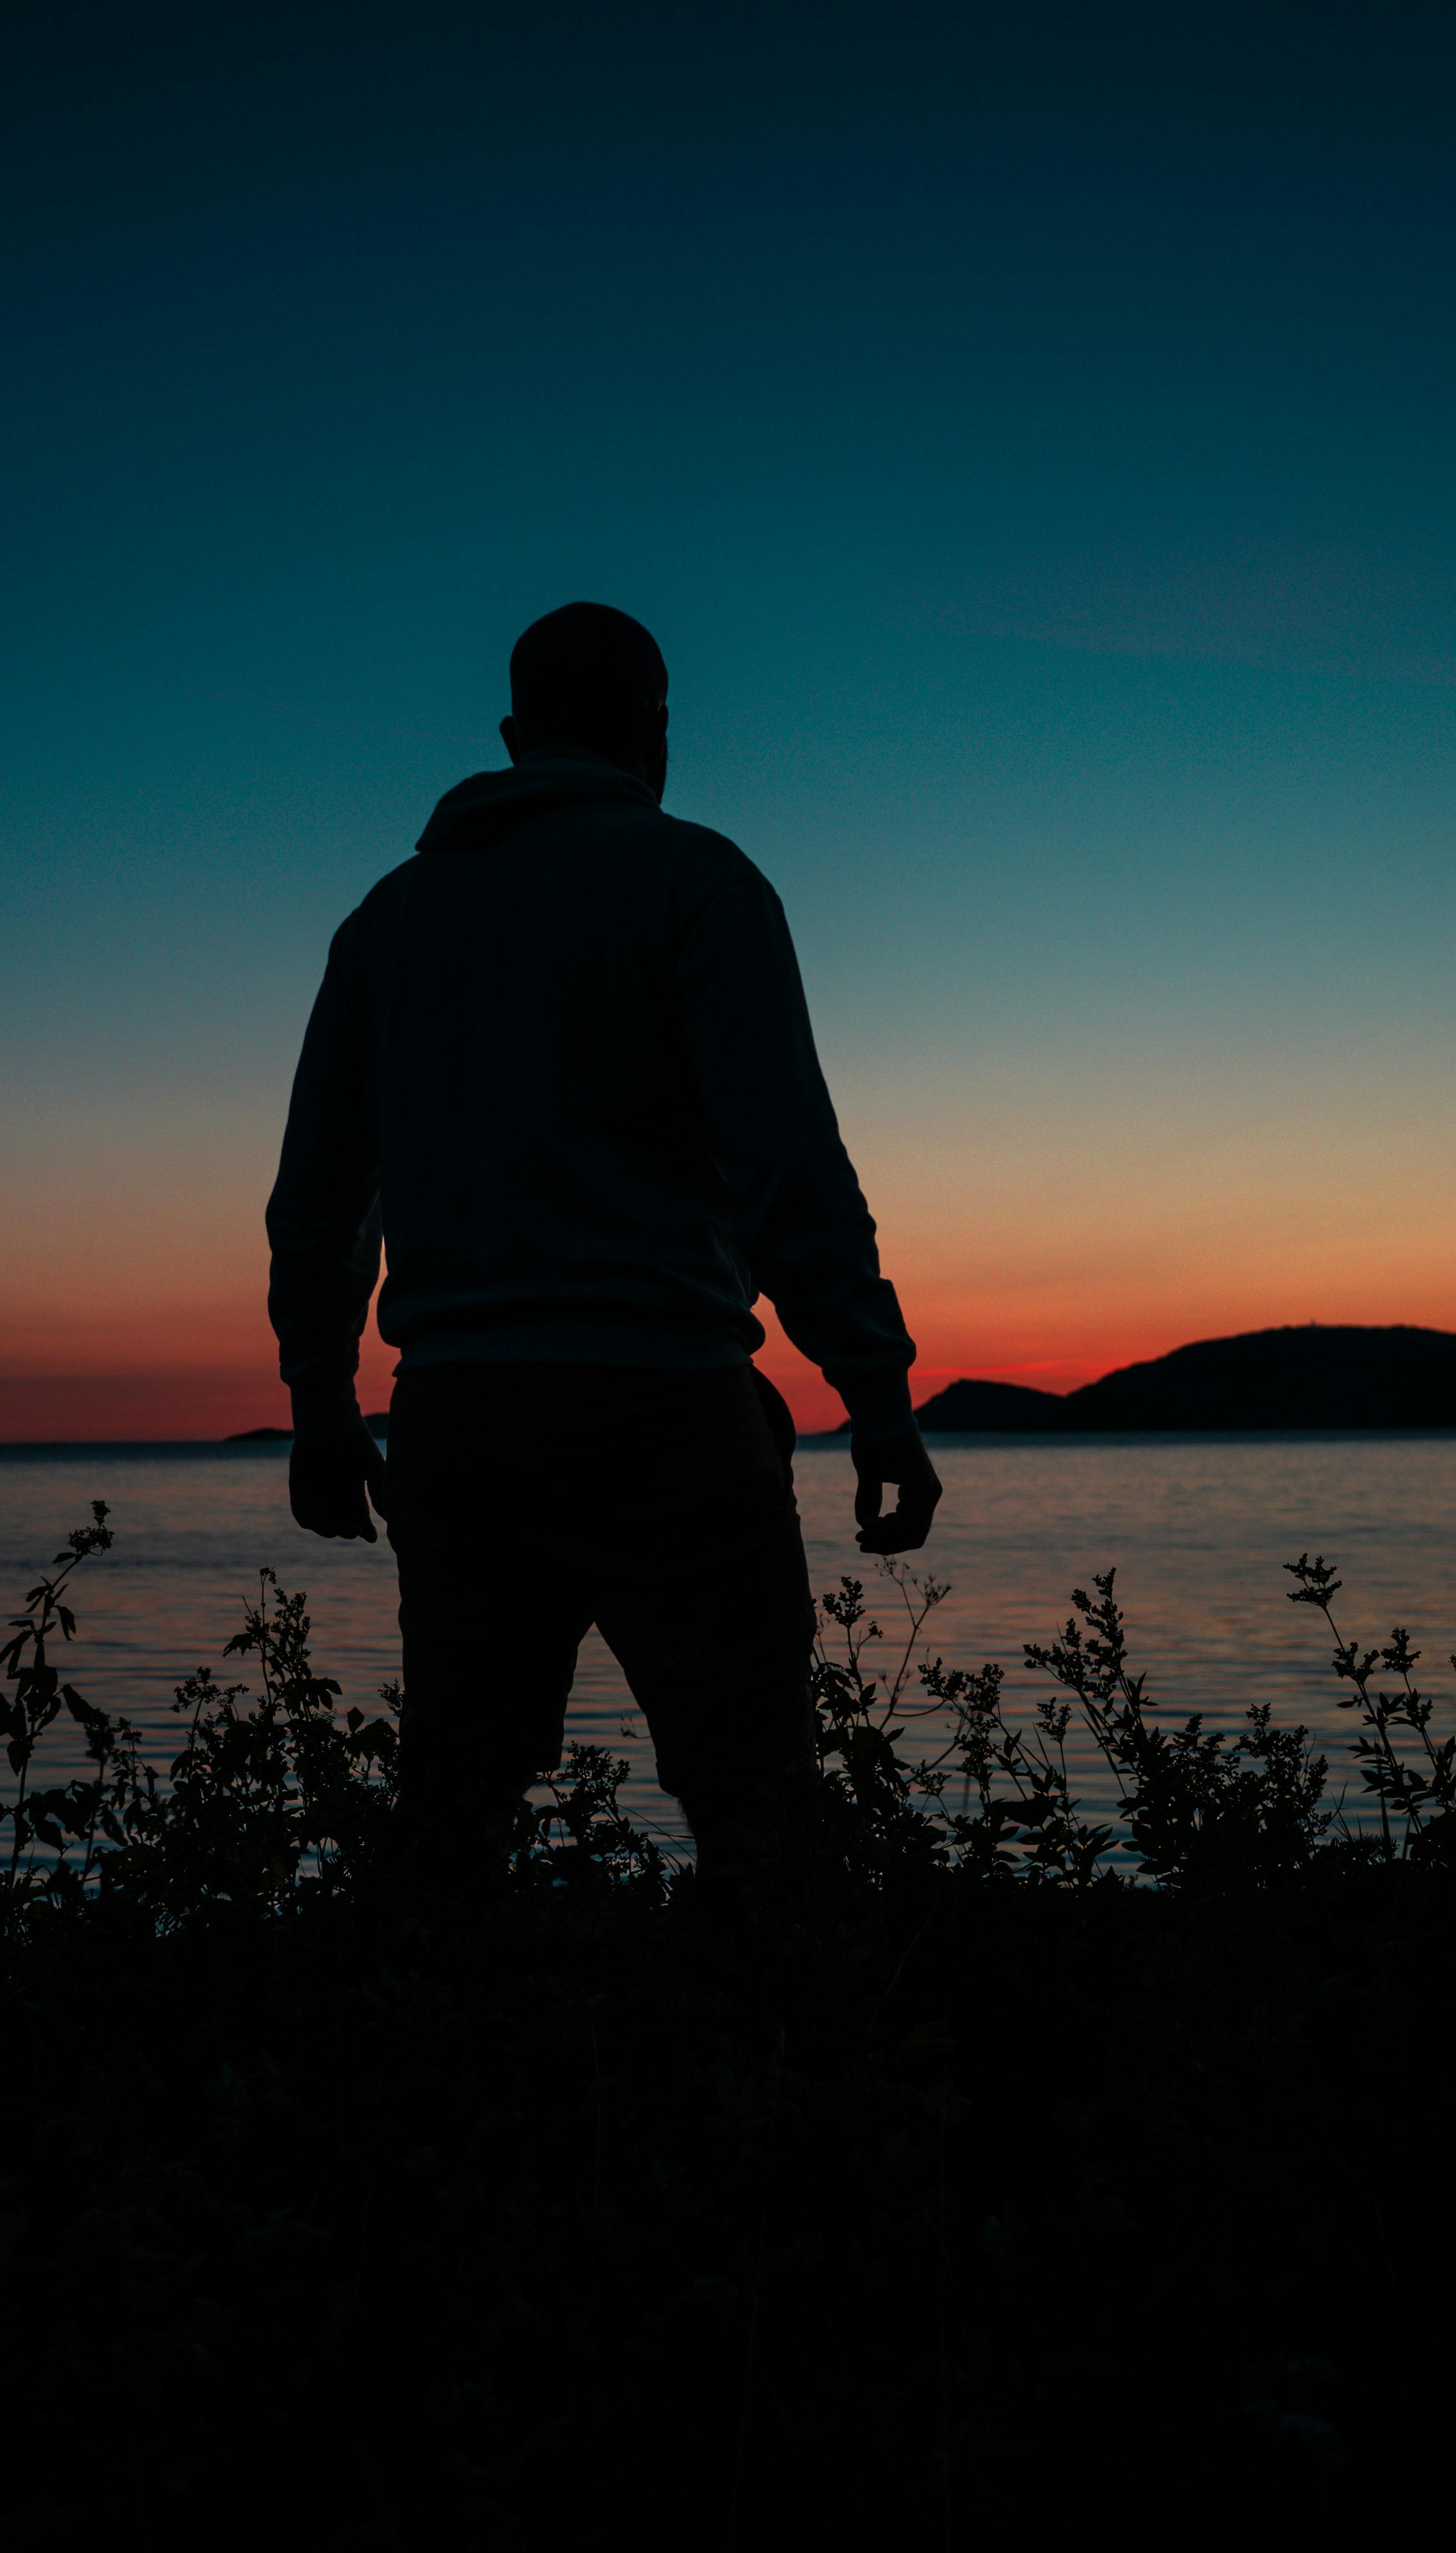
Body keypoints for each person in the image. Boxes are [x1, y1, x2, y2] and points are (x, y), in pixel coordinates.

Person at [264, 601, 939, 1889]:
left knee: (452, 1808)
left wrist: (320, 1409)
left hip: (458, 1419)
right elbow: (788, 1163)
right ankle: (792, 2075)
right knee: (758, 1803)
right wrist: (878, 1397)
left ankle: (414, 2067)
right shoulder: (697, 883)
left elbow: (322, 1198)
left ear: (515, 735)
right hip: (666, 1410)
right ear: (656, 730)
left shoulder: (388, 924)